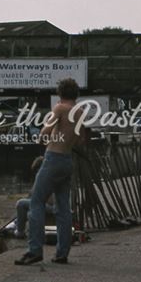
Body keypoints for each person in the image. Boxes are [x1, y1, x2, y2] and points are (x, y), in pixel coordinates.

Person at [15, 78, 85, 266]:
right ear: (76, 94)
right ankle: (62, 253)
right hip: (67, 161)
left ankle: (34, 250)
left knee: (36, 202)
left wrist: (42, 136)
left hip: (53, 159)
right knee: (63, 207)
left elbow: (44, 132)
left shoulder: (60, 108)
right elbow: (79, 141)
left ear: (60, 93)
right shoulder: (80, 112)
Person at [14, 156, 56, 239]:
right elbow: (32, 196)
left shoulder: (46, 177)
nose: (36, 173)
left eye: (37, 170)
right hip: (43, 204)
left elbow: (42, 198)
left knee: (20, 204)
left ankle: (20, 232)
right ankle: (18, 226)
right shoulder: (44, 176)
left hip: (50, 207)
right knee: (23, 206)